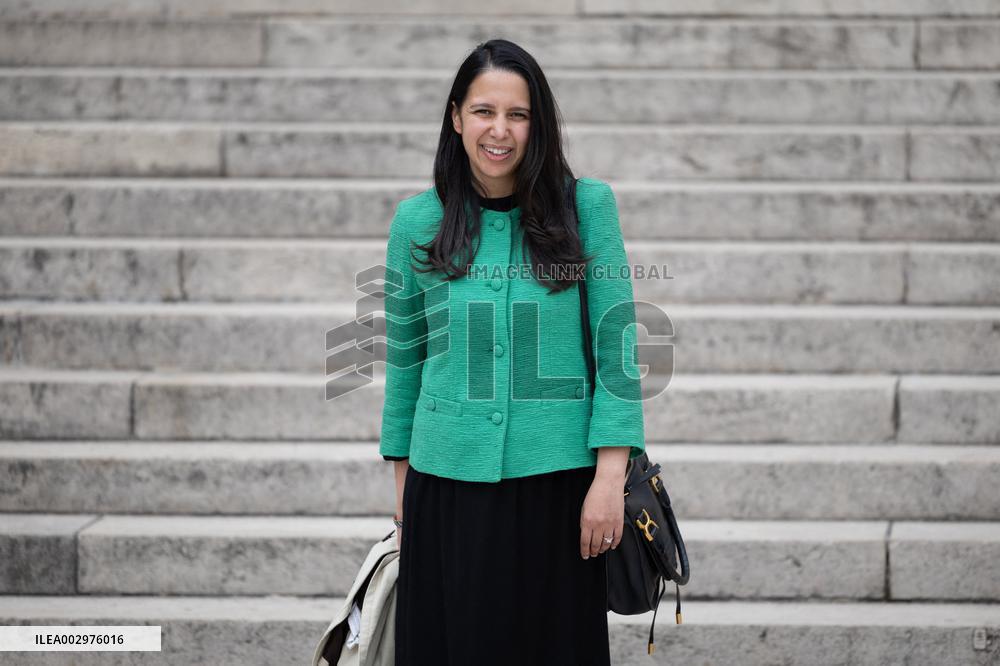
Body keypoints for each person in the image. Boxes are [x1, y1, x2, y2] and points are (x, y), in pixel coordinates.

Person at [379, 38, 646, 666]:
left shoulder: (586, 208)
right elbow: (405, 359)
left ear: (539, 125)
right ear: (454, 117)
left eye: (519, 115)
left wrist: (609, 477)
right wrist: (401, 487)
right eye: (483, 111)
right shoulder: (417, 221)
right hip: (446, 488)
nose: (500, 131)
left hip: (559, 491)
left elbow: (619, 348)